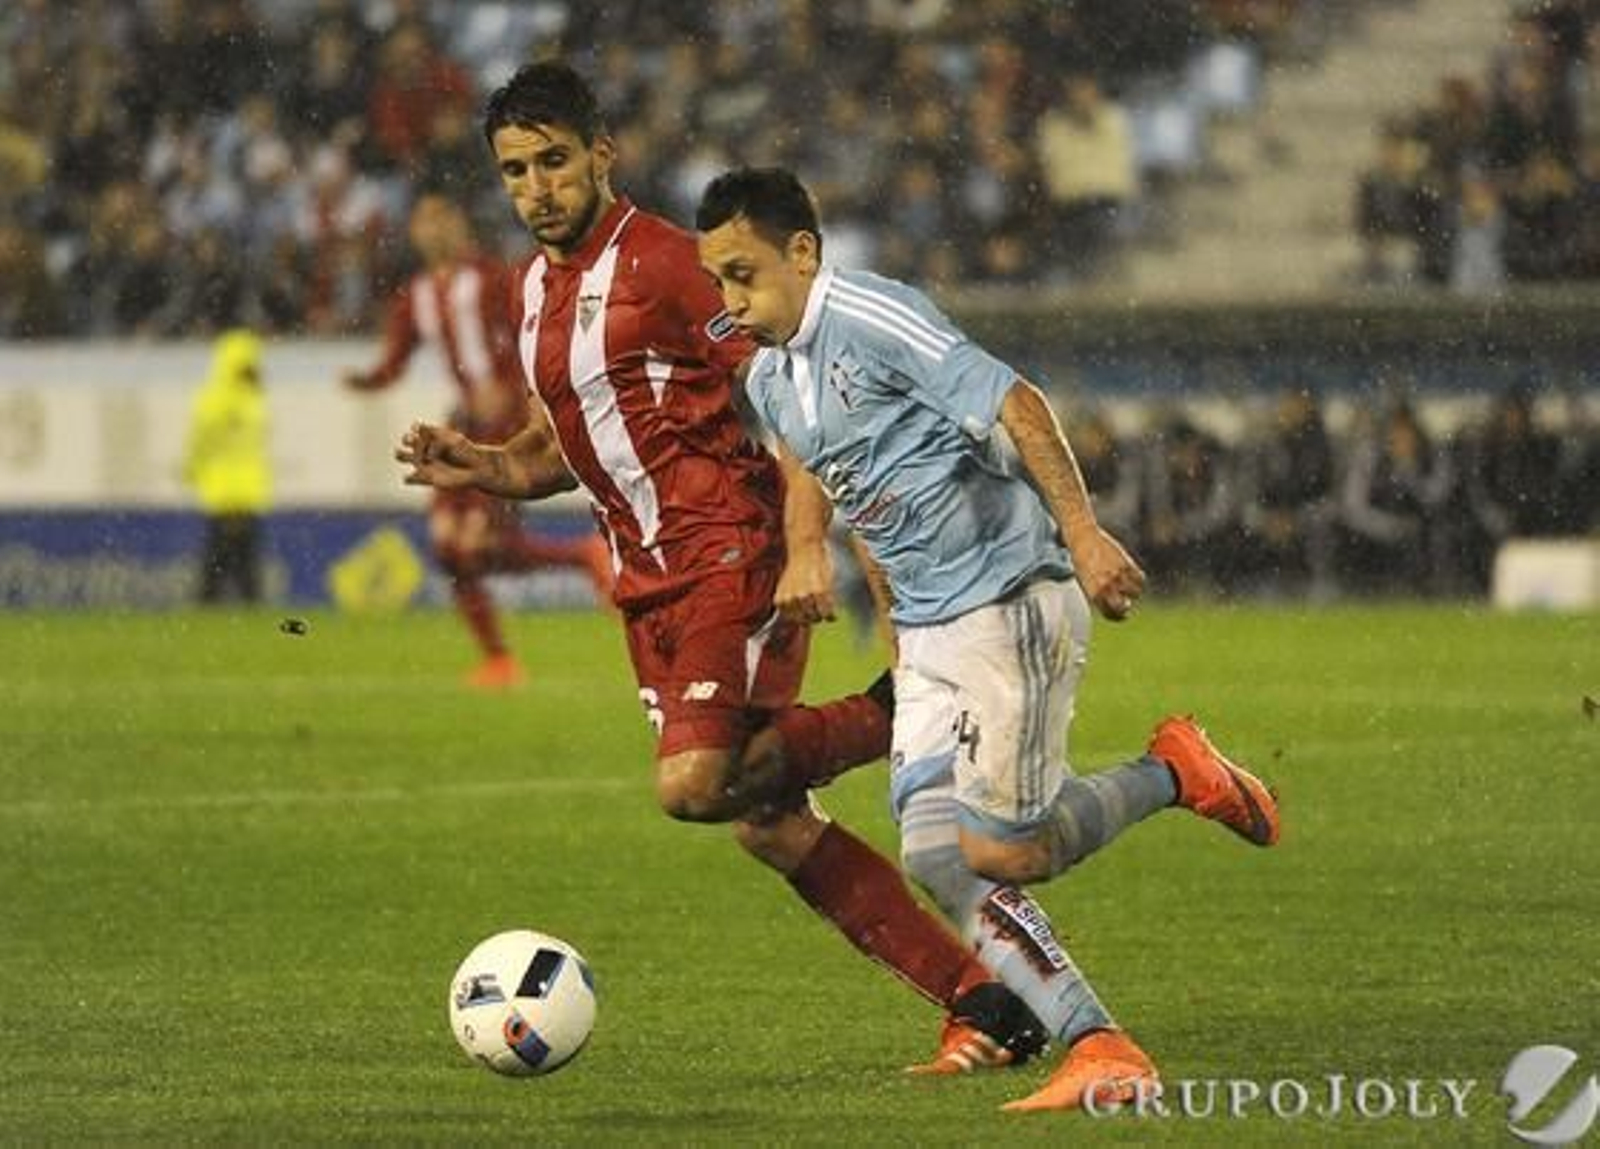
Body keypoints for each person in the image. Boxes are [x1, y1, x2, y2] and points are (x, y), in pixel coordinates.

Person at [395, 61, 1051, 1076]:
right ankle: (984, 1005)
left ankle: (910, 696)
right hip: (646, 586)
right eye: (516, 171)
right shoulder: (531, 292)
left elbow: (797, 389)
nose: (536, 189)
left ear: (602, 154)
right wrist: (485, 467)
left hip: (726, 558)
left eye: (555, 162)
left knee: (697, 785)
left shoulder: (669, 265)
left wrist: (801, 544)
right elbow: (562, 446)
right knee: (768, 822)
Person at [695, 166, 1284, 1112]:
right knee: (936, 852)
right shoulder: (770, 369)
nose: (730, 302)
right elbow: (814, 455)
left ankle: (1175, 772)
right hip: (929, 636)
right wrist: (810, 549)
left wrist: (1086, 538)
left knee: (1010, 855)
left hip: (1008, 600)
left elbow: (1016, 399)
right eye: (717, 279)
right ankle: (1102, 1044)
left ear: (804, 253)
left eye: (743, 274)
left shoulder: (875, 316)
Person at [344, 192, 611, 689]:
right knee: (449, 547)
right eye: (423, 219)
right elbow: (395, 360)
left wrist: (515, 390)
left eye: (440, 215)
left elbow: (532, 331)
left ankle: (577, 563)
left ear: (459, 222)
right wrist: (367, 380)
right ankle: (505, 651)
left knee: (476, 542)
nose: (431, 229)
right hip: (463, 425)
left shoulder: (492, 278)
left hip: (506, 426)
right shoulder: (418, 293)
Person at [183, 328, 271, 604]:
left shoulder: (213, 399)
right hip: (244, 492)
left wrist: (193, 469)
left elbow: (200, 441)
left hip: (223, 490)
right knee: (241, 558)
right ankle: (245, 605)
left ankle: (210, 604)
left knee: (221, 557)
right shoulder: (253, 401)